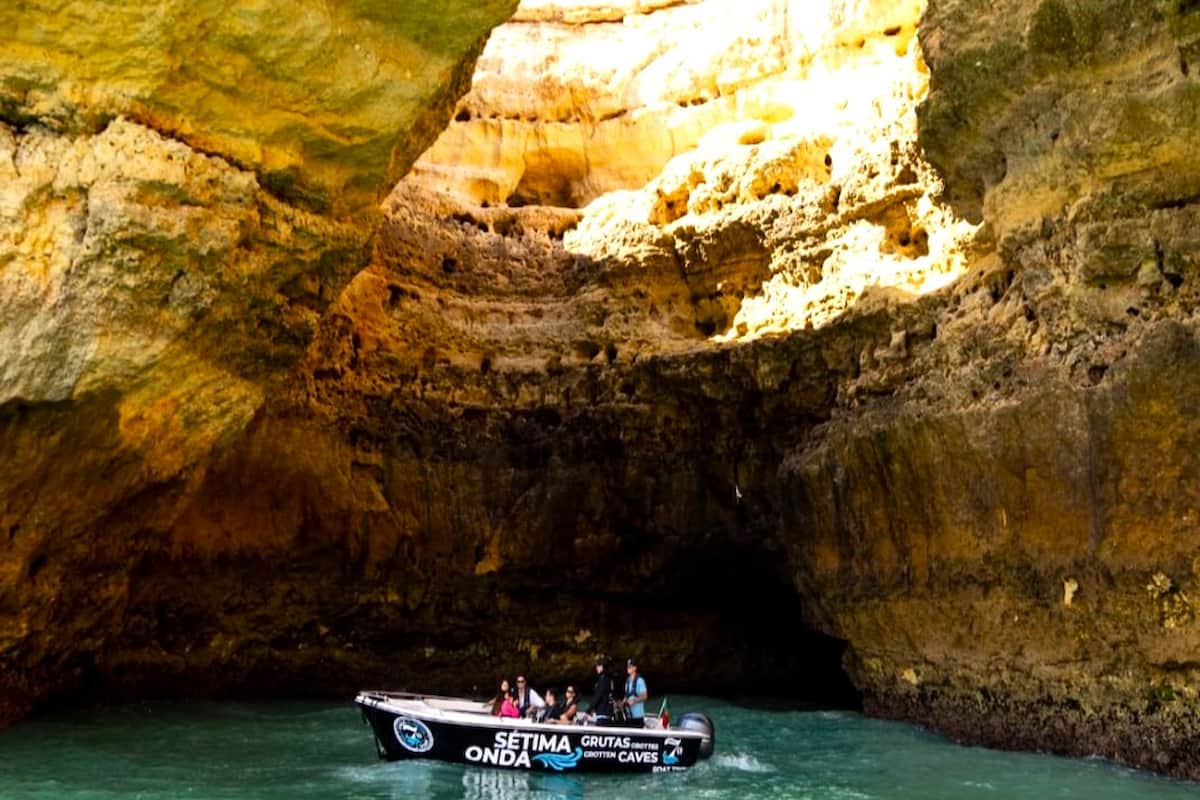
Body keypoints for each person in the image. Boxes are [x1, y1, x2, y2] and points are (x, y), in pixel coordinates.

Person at [588, 657, 617, 724]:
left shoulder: (603, 679)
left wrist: (589, 710)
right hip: (608, 712)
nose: (596, 668)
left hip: (603, 713)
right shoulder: (610, 678)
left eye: (598, 666)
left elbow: (598, 695)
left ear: (602, 666)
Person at [622, 657, 648, 728]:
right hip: (628, 716)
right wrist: (622, 703)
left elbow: (645, 696)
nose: (628, 668)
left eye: (630, 666)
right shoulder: (627, 681)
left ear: (635, 668)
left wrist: (634, 700)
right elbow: (627, 696)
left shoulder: (640, 680)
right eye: (628, 666)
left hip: (638, 717)